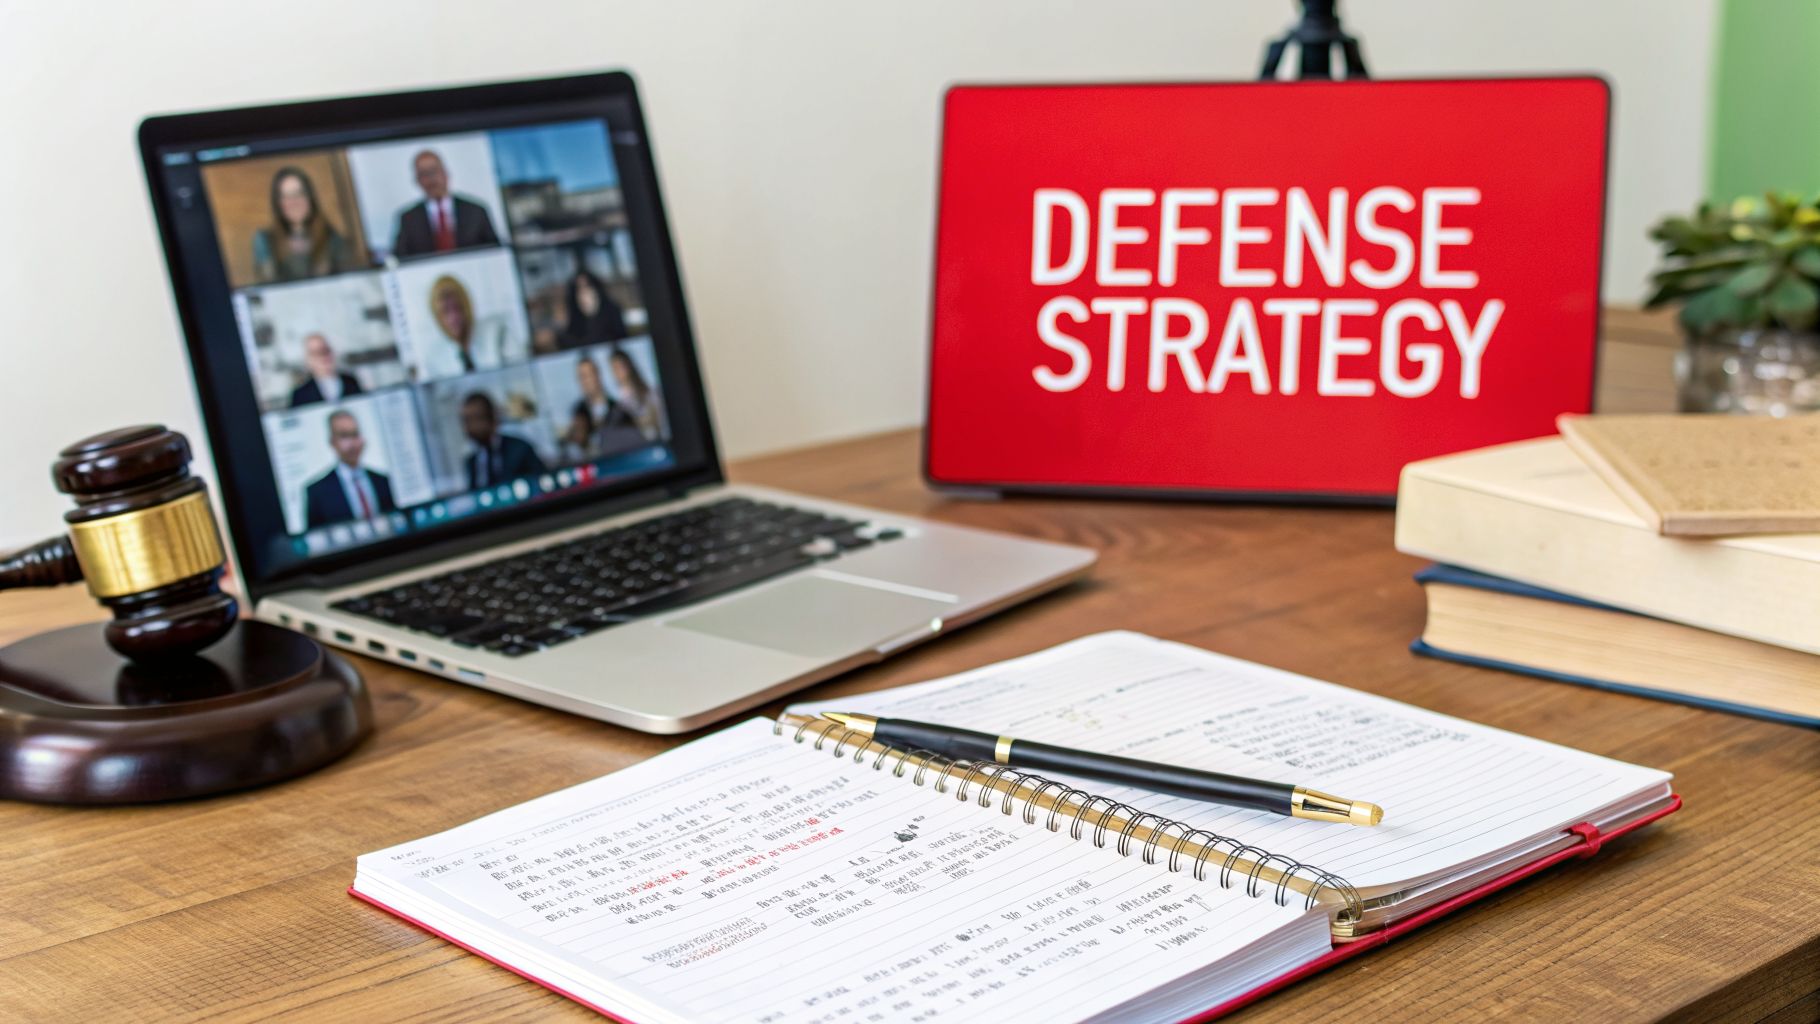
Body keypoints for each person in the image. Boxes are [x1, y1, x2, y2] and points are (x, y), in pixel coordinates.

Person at [252, 167, 356, 283]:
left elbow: (349, 283)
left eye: (299, 193)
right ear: (277, 204)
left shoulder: (332, 238)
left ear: (310, 198)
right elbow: (268, 288)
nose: (294, 202)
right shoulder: (265, 240)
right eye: (285, 196)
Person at [391, 150, 501, 257]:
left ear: (445, 174)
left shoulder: (476, 211)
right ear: (417, 180)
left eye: (433, 171)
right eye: (424, 174)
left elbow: (496, 253)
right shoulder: (408, 219)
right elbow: (399, 259)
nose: (431, 179)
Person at [303, 410, 395, 529]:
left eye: (355, 434)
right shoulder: (317, 492)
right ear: (332, 442)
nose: (352, 443)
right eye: (344, 436)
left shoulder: (384, 481)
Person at [419, 275, 515, 379]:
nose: (453, 318)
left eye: (457, 308)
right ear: (437, 317)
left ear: (467, 306)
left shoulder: (498, 332)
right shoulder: (434, 358)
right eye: (445, 312)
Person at [461, 392, 549, 490]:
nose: (469, 427)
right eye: (466, 421)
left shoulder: (520, 449)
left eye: (476, 419)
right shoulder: (472, 462)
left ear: (492, 417)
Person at [562, 353, 641, 459]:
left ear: (597, 375)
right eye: (581, 377)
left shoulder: (620, 410)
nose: (585, 382)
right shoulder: (577, 413)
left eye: (588, 375)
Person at [557, 268, 627, 348]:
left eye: (587, 287)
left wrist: (594, 313)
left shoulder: (613, 312)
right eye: (578, 289)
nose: (584, 293)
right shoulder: (572, 321)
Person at [288, 333, 363, 407]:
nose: (323, 356)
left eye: (325, 350)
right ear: (307, 360)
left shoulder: (351, 382)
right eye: (315, 353)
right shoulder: (300, 395)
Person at [609, 348, 667, 441]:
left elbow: (658, 417)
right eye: (614, 368)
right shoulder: (618, 402)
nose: (618, 371)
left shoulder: (650, 392)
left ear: (628, 365)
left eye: (620, 366)